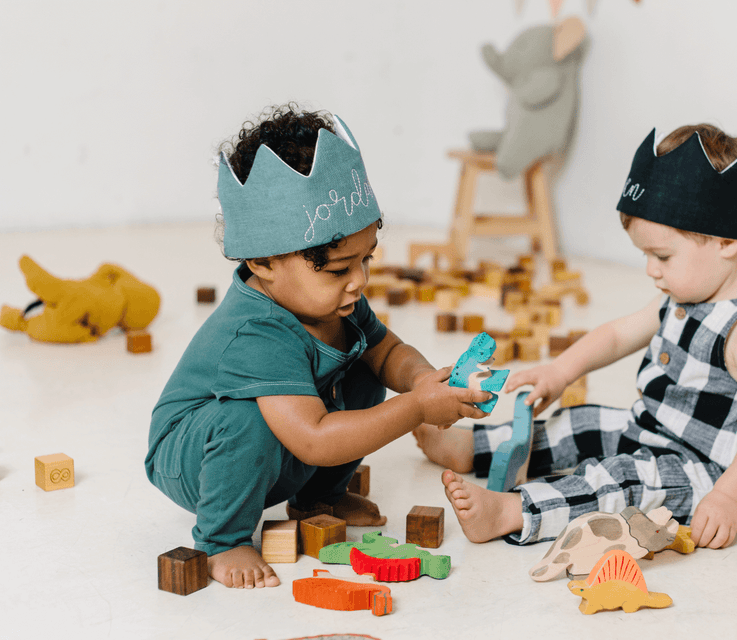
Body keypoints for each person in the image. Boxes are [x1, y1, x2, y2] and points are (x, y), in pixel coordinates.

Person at [145, 105, 490, 589]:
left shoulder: (338, 305)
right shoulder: (257, 331)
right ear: (264, 262)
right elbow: (314, 438)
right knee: (250, 417)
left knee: (364, 367)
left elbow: (388, 351)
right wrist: (415, 409)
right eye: (337, 269)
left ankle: (317, 498)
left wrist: (422, 382)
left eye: (365, 260)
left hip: (284, 436)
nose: (359, 282)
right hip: (195, 456)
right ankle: (222, 540)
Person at [415, 123, 737, 550]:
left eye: (663, 256)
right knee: (581, 423)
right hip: (648, 430)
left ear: (727, 239)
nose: (651, 269)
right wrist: (561, 371)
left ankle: (513, 512)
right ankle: (473, 448)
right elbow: (617, 335)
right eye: (646, 255)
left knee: (618, 481)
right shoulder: (683, 297)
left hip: (705, 472)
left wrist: (727, 497)